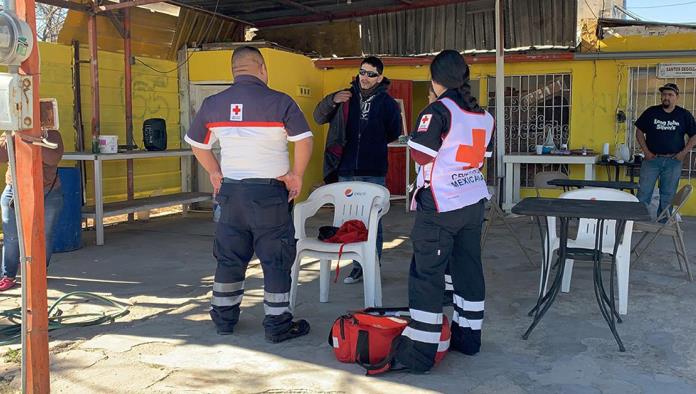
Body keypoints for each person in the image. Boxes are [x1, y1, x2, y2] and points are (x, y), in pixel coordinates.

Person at [186, 46, 314, 342]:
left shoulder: (213, 104)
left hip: (231, 194)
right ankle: (277, 324)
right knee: (276, 259)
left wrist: (215, 172)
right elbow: (303, 140)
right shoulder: (280, 102)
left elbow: (197, 143)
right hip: (269, 195)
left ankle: (224, 319)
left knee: (229, 257)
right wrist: (297, 175)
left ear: (234, 71)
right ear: (262, 68)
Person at [393, 50, 494, 373]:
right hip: (472, 201)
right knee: (467, 270)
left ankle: (421, 352)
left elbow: (422, 155)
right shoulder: (484, 115)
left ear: (434, 80)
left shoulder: (438, 110)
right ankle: (469, 338)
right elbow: (481, 156)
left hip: (441, 203)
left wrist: (413, 137)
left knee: (427, 274)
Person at [313, 56, 403, 284]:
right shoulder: (344, 97)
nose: (365, 77)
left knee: (374, 220)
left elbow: (394, 132)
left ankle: (371, 266)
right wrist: (332, 100)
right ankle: (355, 266)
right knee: (349, 220)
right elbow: (318, 116)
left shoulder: (388, 104)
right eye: (362, 72)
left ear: (380, 77)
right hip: (346, 170)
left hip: (373, 171)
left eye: (371, 74)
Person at [0, 130, 64, 291]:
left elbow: (53, 159)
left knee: (43, 235)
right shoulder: (11, 133)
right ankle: (8, 275)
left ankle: (38, 273)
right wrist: (14, 137)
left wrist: (33, 141)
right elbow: (1, 156)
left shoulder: (52, 134)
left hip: (47, 191)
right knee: (11, 236)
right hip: (14, 190)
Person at [635, 83, 696, 217]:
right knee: (644, 192)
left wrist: (683, 153)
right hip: (652, 160)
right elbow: (639, 131)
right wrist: (646, 151)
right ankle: (638, 221)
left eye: (670, 95)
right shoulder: (651, 112)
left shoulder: (684, 115)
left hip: (673, 161)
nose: (666, 97)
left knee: (668, 195)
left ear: (677, 97)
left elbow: (694, 136)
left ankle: (663, 223)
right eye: (664, 94)